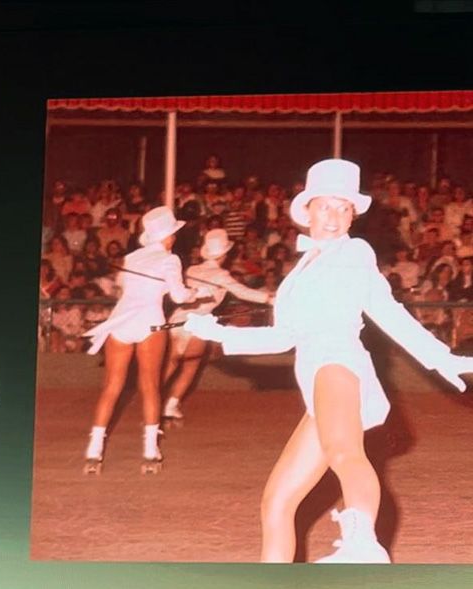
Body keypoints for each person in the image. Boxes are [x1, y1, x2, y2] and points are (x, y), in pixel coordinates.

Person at [183, 158, 473, 563]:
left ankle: (361, 546)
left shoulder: (355, 251)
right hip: (314, 372)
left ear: (354, 214)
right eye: (326, 206)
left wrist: (441, 357)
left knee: (344, 452)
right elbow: (286, 337)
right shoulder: (299, 272)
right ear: (308, 210)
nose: (335, 217)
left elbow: (384, 309)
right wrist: (216, 332)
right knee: (277, 502)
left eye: (344, 207)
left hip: (337, 361)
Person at [82, 205, 191, 473]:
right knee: (150, 386)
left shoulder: (131, 258)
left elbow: (124, 287)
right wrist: (194, 292)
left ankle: (94, 451)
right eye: (173, 233)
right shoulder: (171, 259)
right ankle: (151, 451)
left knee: (111, 387)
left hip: (120, 320)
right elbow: (179, 297)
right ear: (167, 236)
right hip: (148, 321)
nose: (174, 238)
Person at [163, 227, 271, 425]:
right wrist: (269, 298)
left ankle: (153, 404)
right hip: (198, 323)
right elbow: (243, 292)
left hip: (176, 320)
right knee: (190, 367)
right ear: (224, 254)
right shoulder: (222, 275)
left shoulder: (191, 270)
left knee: (170, 364)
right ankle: (170, 405)